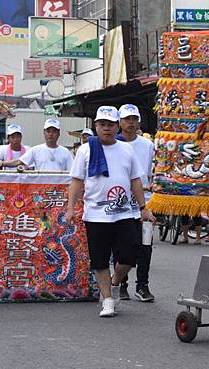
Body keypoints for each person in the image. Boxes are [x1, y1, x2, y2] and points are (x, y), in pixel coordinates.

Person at [67, 106, 154, 317]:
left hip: (125, 212)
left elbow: (135, 180)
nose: (106, 128)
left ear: (118, 127)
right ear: (96, 126)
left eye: (110, 124)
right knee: (100, 259)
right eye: (102, 124)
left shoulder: (127, 150)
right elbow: (77, 180)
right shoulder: (86, 150)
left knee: (129, 255)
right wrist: (70, 207)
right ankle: (107, 299)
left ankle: (115, 282)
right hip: (96, 214)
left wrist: (144, 208)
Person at [116, 104, 156, 302]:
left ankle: (142, 286)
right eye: (127, 119)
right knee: (122, 246)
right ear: (120, 122)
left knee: (145, 246)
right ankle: (121, 284)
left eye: (134, 119)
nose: (131, 123)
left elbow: (151, 172)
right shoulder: (113, 144)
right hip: (119, 202)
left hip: (145, 202)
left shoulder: (148, 145)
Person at [2, 119, 73, 172]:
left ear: (59, 133)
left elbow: (71, 171)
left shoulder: (66, 152)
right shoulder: (35, 150)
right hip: (41, 188)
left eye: (54, 131)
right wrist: (2, 163)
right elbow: (19, 162)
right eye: (48, 131)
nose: (51, 134)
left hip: (59, 190)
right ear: (44, 133)